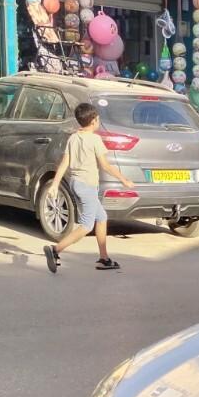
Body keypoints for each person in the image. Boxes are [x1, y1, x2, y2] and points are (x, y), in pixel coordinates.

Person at [43, 101, 126, 274]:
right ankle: (56, 250)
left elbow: (65, 162)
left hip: (76, 182)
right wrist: (124, 179)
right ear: (94, 120)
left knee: (101, 217)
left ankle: (104, 258)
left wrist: (56, 183)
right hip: (87, 185)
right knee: (87, 225)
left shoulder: (73, 138)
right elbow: (105, 165)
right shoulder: (95, 139)